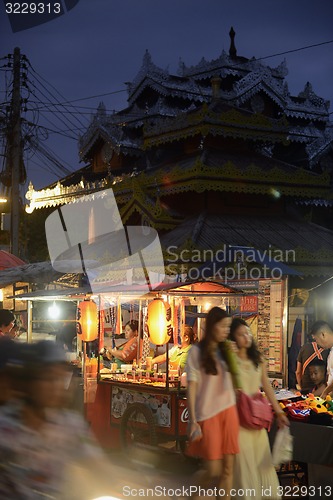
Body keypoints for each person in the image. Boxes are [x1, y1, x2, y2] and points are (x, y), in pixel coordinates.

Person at [229, 318, 289, 500]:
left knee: (261, 463)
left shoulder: (258, 359)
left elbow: (267, 387)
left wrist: (279, 412)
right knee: (245, 465)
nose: (246, 337)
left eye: (248, 333)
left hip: (256, 421)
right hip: (239, 421)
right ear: (233, 337)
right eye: (241, 334)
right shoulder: (231, 359)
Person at [185, 307, 239, 499]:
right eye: (223, 326)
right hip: (208, 414)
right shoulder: (196, 352)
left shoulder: (227, 350)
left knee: (228, 470)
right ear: (212, 326)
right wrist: (193, 419)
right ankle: (191, 495)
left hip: (229, 411)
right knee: (213, 470)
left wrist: (236, 359)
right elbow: (191, 387)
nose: (226, 331)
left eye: (228, 327)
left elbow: (235, 385)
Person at [311, 320, 333, 398]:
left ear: (323, 334)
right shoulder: (331, 352)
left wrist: (325, 392)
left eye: (316, 340)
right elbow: (329, 383)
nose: (317, 344)